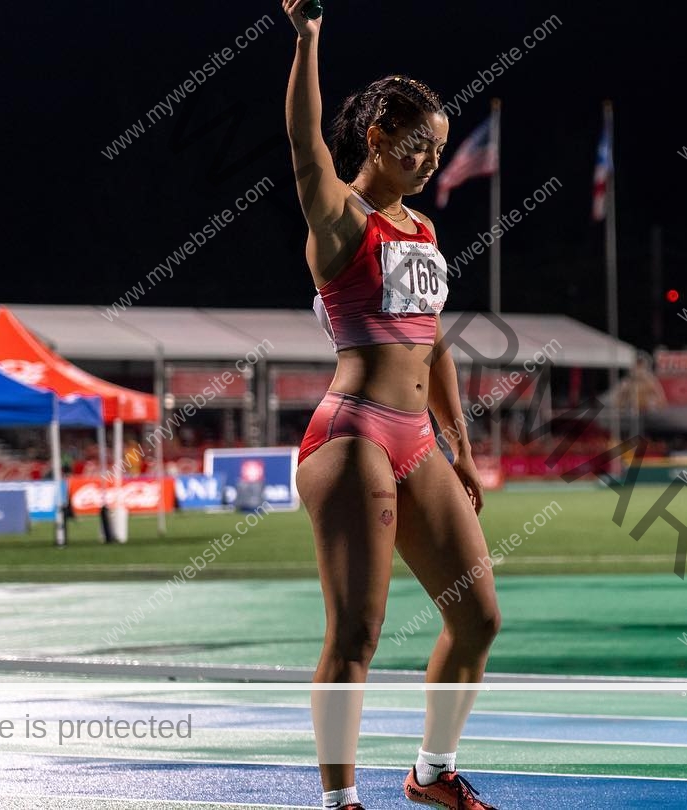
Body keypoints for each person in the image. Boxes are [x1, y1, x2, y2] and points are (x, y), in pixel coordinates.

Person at [283, 4, 500, 809]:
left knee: (478, 619)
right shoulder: (342, 218)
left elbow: (432, 342)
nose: (431, 161)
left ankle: (431, 774)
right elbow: (306, 145)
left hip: (417, 438)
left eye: (439, 151)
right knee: (357, 636)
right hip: (351, 437)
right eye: (419, 146)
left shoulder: (426, 231)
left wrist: (462, 446)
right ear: (376, 138)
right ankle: (340, 801)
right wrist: (307, 42)